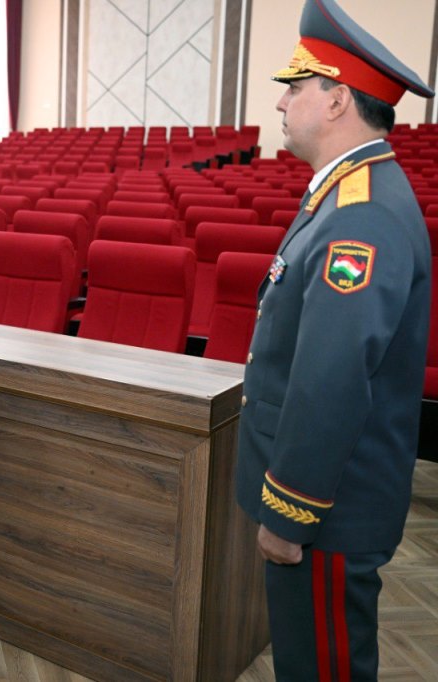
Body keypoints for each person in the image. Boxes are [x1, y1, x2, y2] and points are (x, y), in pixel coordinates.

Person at [235, 1, 433, 679]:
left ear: (338, 99)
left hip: (327, 510)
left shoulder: (361, 214)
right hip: (333, 501)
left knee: (322, 667)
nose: (282, 102)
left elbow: (332, 382)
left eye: (295, 88)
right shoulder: (346, 194)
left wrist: (290, 512)